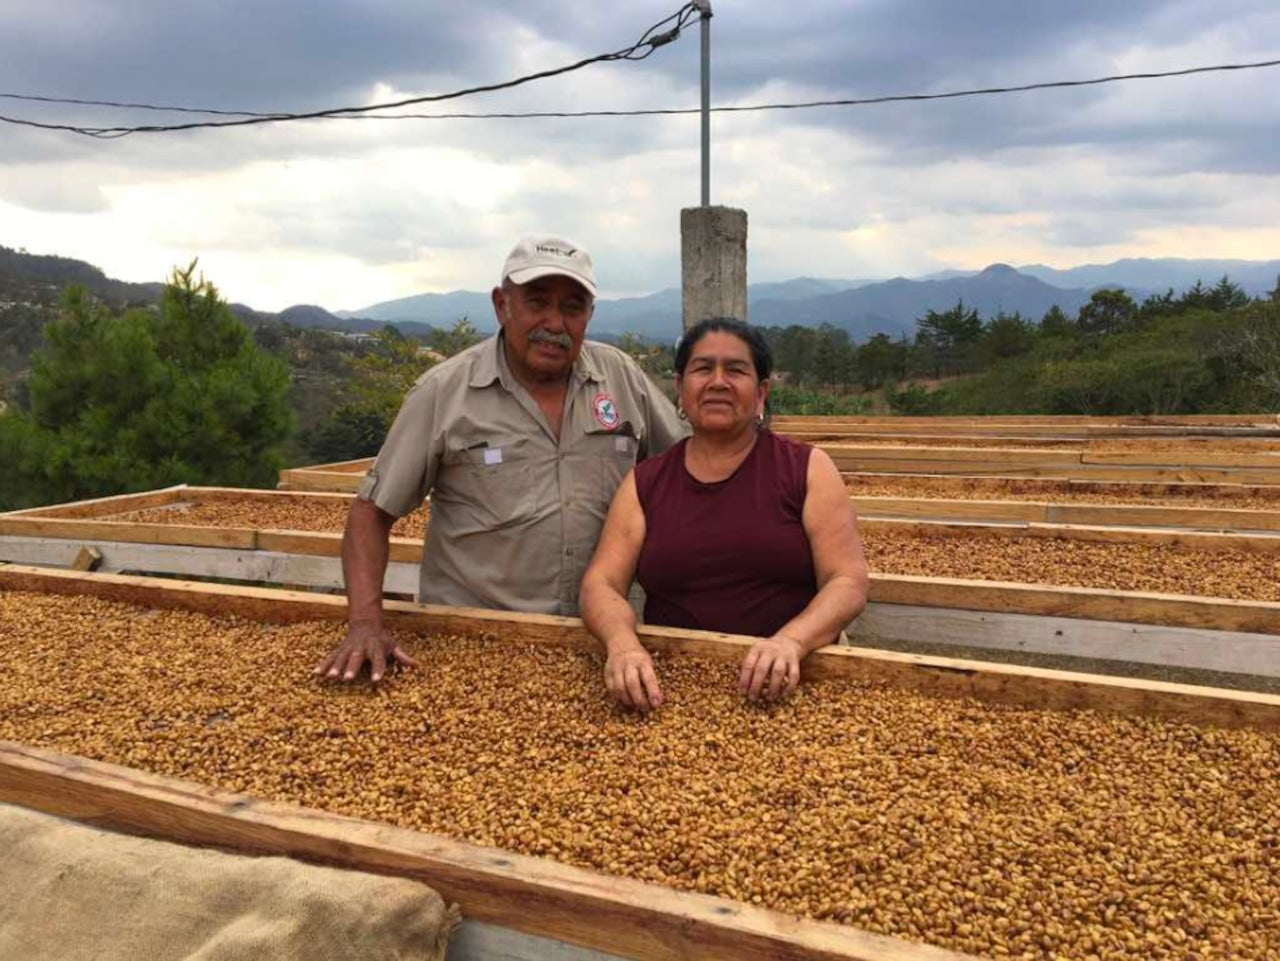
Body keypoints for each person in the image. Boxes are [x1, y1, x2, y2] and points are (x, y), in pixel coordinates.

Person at [315, 235, 685, 683]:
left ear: (590, 314)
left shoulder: (622, 378)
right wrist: (365, 623)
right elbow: (371, 514)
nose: (555, 323)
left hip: (605, 646)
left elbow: (689, 470)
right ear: (501, 305)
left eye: (572, 307)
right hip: (474, 644)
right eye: (537, 302)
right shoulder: (445, 392)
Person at [579, 317, 869, 712]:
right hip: (670, 689)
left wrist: (792, 641)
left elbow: (847, 581)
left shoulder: (807, 469)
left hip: (794, 680)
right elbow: (601, 584)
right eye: (703, 368)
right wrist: (622, 643)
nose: (718, 382)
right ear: (680, 387)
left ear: (761, 392)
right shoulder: (645, 483)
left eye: (735, 370)